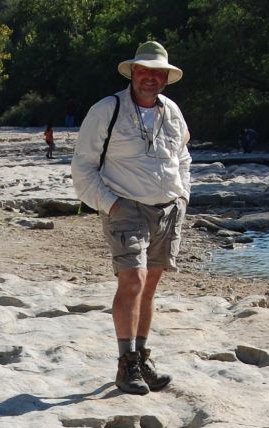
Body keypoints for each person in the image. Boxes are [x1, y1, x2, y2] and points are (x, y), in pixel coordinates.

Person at [70, 40, 191, 396]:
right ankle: (126, 366)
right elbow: (83, 166)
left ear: (165, 79)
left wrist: (183, 194)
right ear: (132, 73)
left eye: (157, 73)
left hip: (168, 210)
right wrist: (110, 204)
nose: (150, 78)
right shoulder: (107, 109)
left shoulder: (172, 111)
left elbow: (183, 156)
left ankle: (140, 358)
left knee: (149, 285)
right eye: (144, 71)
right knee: (133, 281)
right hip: (126, 208)